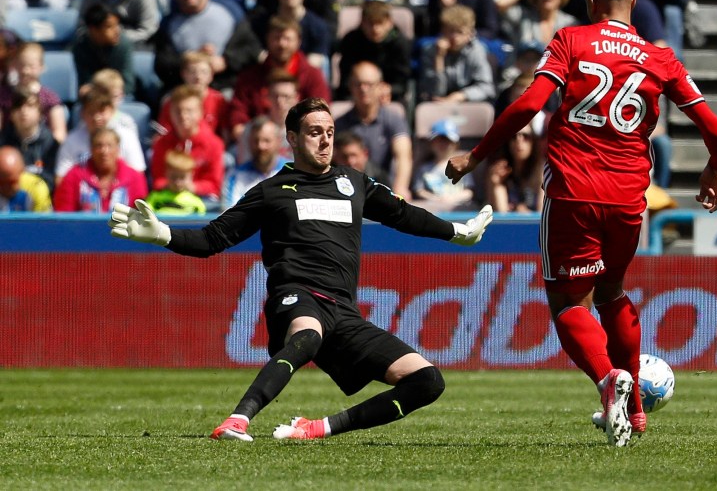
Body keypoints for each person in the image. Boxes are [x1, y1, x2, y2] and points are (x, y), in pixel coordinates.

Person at [445, 0, 717, 446]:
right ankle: (636, 411)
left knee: (566, 302)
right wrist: (714, 169)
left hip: (573, 192)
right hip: (628, 199)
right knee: (612, 292)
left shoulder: (571, 40)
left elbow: (529, 105)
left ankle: (606, 382)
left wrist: (475, 155)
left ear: (591, 3)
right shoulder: (661, 57)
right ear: (633, 1)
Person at [107, 97, 494, 442]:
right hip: (296, 297)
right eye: (314, 132)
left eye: (329, 132)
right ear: (291, 138)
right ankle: (237, 420)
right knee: (307, 337)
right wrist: (161, 233)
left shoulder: (352, 182)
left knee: (427, 381)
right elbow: (212, 240)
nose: (325, 140)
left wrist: (458, 232)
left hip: (343, 312)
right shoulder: (271, 191)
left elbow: (403, 215)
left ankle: (317, 428)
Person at [336, 61, 414, 199]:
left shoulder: (393, 118)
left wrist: (400, 188)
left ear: (380, 87)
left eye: (369, 84)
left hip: (385, 190)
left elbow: (403, 156)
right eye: (358, 84)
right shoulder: (340, 124)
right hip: (348, 193)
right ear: (350, 87)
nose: (363, 89)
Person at [56, 85, 145, 184]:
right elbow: (61, 179)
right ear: (82, 113)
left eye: (101, 111)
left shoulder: (127, 137)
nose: (96, 117)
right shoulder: (71, 141)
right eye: (91, 112)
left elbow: (138, 176)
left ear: (111, 111)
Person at [150, 85, 225, 202]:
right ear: (170, 112)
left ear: (200, 112)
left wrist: (192, 186)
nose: (183, 116)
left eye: (189, 111)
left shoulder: (214, 144)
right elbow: (158, 180)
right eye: (178, 111)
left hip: (202, 199)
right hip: (169, 197)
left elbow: (215, 185)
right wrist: (173, 185)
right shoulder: (161, 144)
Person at [334, 0, 412, 103]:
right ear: (362, 22)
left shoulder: (399, 44)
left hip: (389, 97)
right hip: (355, 95)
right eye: (370, 23)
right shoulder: (351, 41)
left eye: (380, 23)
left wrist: (387, 89)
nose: (375, 29)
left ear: (390, 23)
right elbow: (345, 78)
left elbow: (402, 83)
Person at [54, 127, 147, 212]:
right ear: (91, 149)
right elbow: (64, 212)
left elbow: (140, 214)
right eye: (99, 146)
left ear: (118, 149)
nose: (104, 151)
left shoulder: (133, 178)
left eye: (109, 146)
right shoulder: (75, 175)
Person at [419, 4, 496, 104]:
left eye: (460, 32)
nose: (454, 37)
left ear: (470, 34)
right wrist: (439, 58)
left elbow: (486, 88)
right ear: (442, 30)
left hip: (467, 103)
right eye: (450, 31)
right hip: (437, 104)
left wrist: (460, 96)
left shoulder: (476, 50)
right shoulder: (430, 51)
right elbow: (436, 92)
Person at [0, 42, 68, 144]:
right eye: (21, 65)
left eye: (31, 66)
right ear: (14, 65)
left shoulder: (50, 98)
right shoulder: (4, 96)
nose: (25, 71)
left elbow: (59, 134)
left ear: (42, 67)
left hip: (40, 149)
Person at [0, 87, 59, 192]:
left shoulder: (51, 144)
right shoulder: (3, 142)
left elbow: (52, 180)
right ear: (11, 115)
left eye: (30, 106)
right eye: (18, 106)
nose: (23, 111)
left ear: (40, 113)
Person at [72, 3, 136, 97]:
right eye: (109, 27)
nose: (116, 31)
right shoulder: (81, 46)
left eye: (117, 25)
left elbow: (128, 84)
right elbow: (85, 81)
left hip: (120, 95)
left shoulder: (124, 45)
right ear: (93, 30)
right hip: (94, 97)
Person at [221, 116, 285, 209]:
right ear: (249, 142)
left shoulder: (293, 172)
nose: (261, 146)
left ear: (278, 142)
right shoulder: (234, 176)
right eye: (256, 141)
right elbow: (228, 214)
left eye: (266, 141)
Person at [412, 118, 475, 210]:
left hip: (458, 209)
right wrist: (435, 199)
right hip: (432, 209)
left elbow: (469, 191)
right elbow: (419, 190)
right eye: (438, 140)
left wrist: (453, 199)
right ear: (431, 143)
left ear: (455, 144)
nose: (443, 144)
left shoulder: (463, 166)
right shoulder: (424, 168)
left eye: (447, 140)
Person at [485, 122, 543, 213]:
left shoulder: (542, 171)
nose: (519, 140)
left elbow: (542, 216)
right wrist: (497, 184)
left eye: (526, 136)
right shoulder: (498, 171)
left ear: (533, 142)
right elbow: (502, 216)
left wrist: (526, 215)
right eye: (513, 136)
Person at [146, 150, 207, 215]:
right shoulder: (155, 198)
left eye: (182, 178)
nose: (177, 182)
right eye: (173, 177)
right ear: (166, 174)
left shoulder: (196, 203)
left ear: (191, 176)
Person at [0, 145, 52, 212]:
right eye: (1, 182)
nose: (5, 187)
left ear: (22, 173)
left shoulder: (37, 187)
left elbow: (43, 221)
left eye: (11, 182)